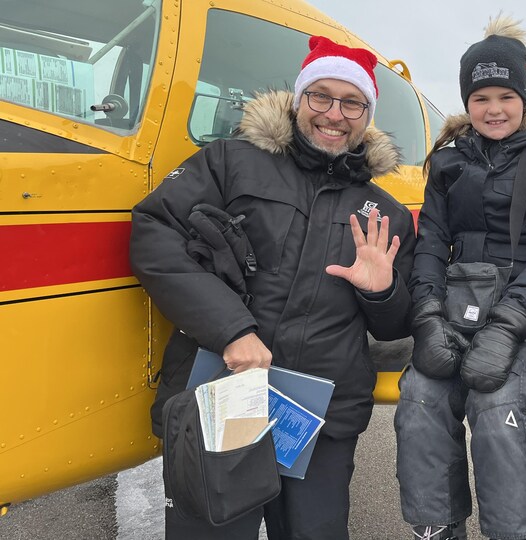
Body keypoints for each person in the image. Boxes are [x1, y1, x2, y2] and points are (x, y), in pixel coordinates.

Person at [129, 35, 416, 539]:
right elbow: (155, 233)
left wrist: (381, 292)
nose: (334, 113)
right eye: (320, 96)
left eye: (352, 103)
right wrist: (230, 329)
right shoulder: (229, 162)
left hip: (317, 416)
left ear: (367, 115)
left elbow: (394, 326)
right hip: (224, 394)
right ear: (298, 99)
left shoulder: (385, 212)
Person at [393, 15, 526, 540]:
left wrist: (509, 324)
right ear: (466, 102)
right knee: (422, 397)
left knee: (499, 403)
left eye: (505, 96)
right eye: (481, 98)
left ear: (525, 97)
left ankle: (515, 531)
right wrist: (427, 313)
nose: (494, 109)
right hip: (459, 297)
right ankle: (436, 526)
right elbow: (429, 241)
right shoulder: (448, 162)